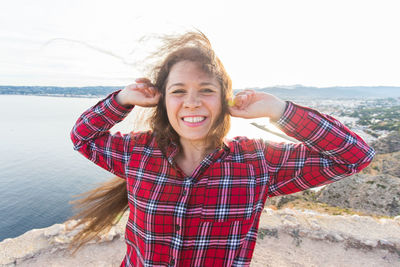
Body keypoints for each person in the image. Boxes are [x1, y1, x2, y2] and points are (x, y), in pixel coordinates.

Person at [69, 31, 375, 267]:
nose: (191, 102)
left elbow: (354, 155)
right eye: (178, 91)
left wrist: (280, 110)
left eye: (206, 90)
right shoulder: (138, 153)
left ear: (224, 100)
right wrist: (122, 99)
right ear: (163, 100)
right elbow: (82, 137)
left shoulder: (258, 162)